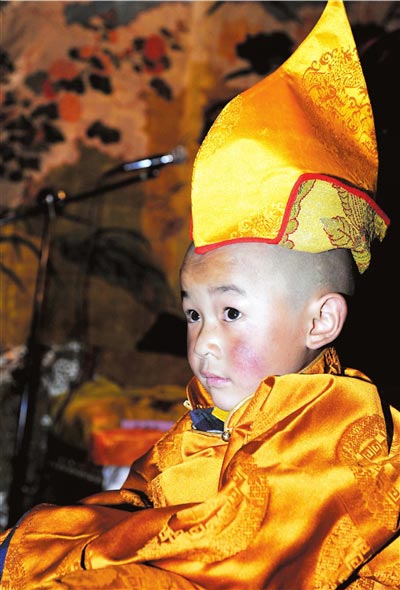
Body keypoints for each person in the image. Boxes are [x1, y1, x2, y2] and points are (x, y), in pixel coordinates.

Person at [1, 1, 399, 588]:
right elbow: (140, 501)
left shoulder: (339, 425)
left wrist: (54, 559)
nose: (203, 343)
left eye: (231, 312)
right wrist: (41, 538)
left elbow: (225, 553)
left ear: (321, 322)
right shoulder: (214, 414)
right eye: (193, 313)